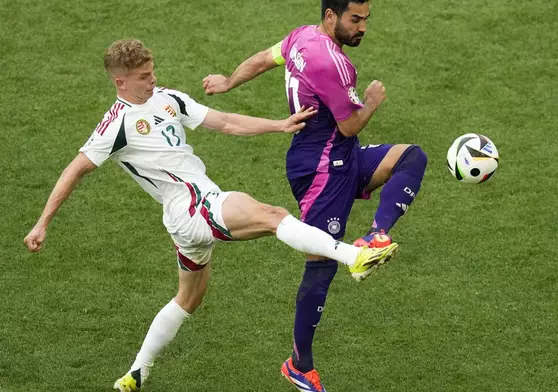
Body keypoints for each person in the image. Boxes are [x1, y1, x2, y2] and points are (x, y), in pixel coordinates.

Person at [23, 38, 399, 392]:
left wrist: (278, 125)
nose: (152, 79)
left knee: (189, 298)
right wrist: (42, 222)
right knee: (271, 215)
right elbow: (74, 169)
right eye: (142, 77)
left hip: (184, 221)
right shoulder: (115, 124)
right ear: (120, 82)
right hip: (193, 205)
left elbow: (225, 122)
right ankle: (355, 256)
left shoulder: (168, 98)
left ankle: (137, 371)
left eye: (152, 71)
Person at [202, 1, 428, 390]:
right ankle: (299, 365)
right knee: (320, 261)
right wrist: (372, 101)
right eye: (355, 20)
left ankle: (377, 234)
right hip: (323, 166)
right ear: (330, 16)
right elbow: (348, 126)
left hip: (338, 157)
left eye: (365, 21)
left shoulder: (300, 38)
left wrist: (228, 81)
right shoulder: (332, 64)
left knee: (411, 158)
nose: (362, 28)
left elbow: (262, 59)